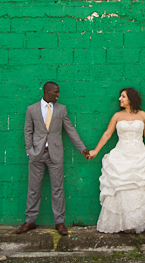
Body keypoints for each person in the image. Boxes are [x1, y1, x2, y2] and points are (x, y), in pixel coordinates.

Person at [87, 87, 145, 233]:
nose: (119, 99)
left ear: (131, 98)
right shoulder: (117, 116)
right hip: (121, 154)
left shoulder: (142, 114)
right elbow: (107, 134)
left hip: (139, 153)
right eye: (120, 96)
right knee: (123, 188)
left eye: (123, 96)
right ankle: (126, 222)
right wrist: (96, 150)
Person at [15, 81, 89, 236]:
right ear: (47, 91)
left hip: (55, 154)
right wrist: (30, 151)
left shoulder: (61, 109)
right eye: (55, 92)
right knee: (33, 189)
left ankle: (59, 222)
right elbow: (27, 131)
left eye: (58, 92)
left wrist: (82, 148)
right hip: (37, 154)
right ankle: (30, 220)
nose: (58, 95)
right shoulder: (32, 109)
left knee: (58, 188)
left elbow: (70, 130)